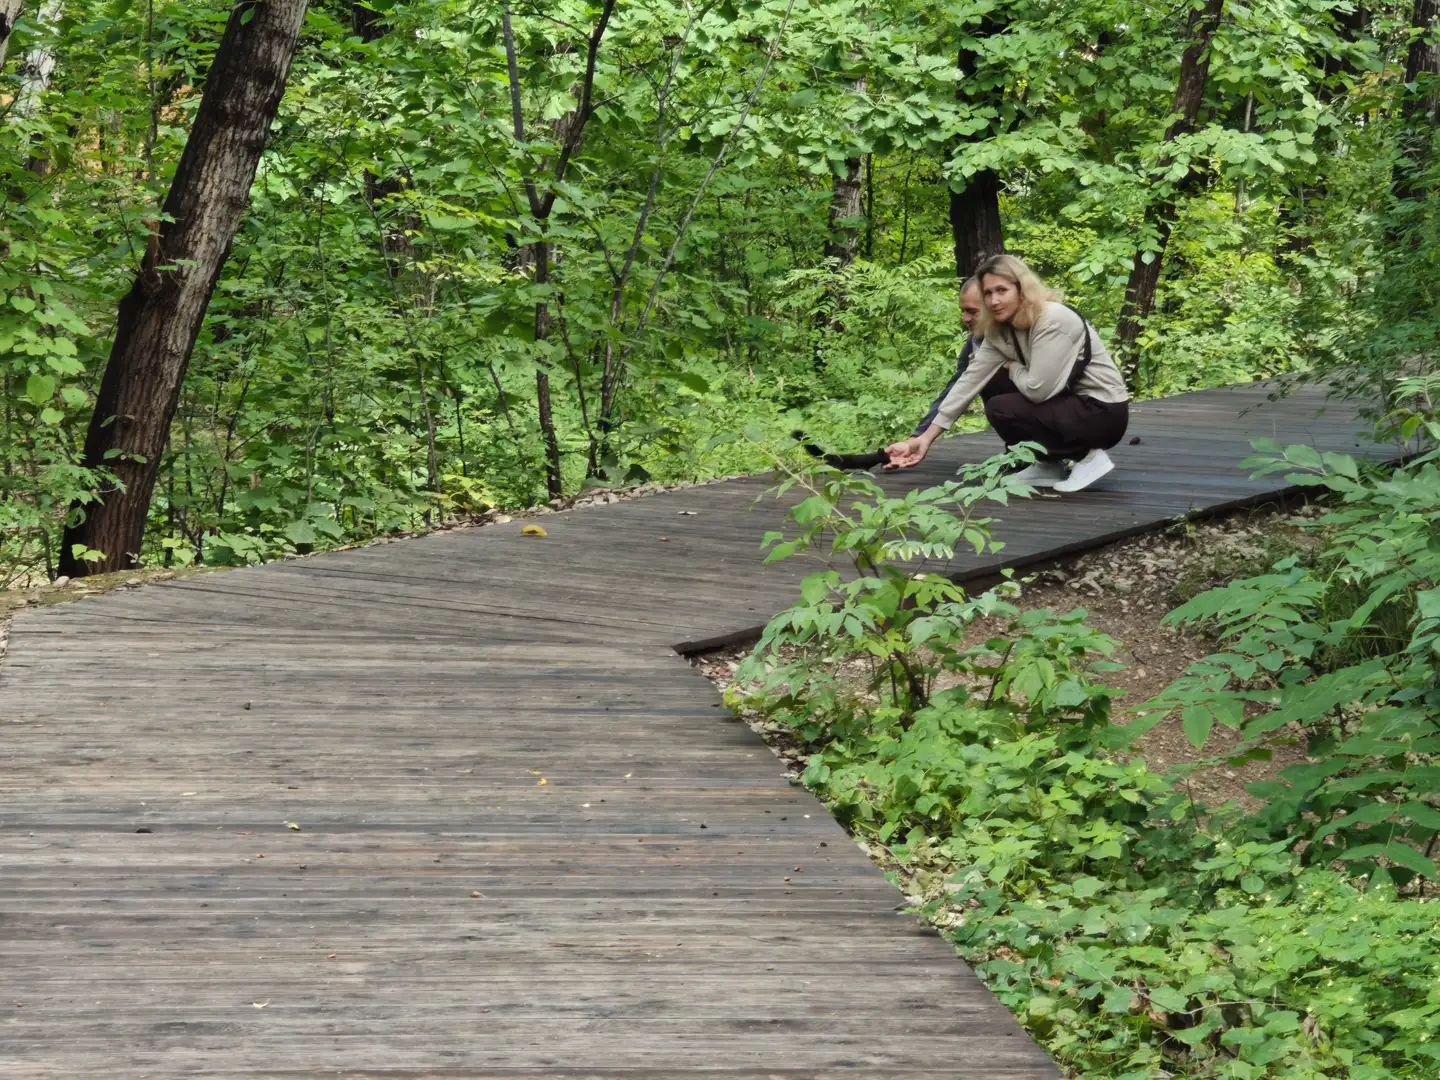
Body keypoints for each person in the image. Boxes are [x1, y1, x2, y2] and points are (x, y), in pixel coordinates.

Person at [886, 254, 1129, 493]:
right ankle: (1048, 464)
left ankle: (1089, 458)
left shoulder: (1053, 319)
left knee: (1002, 406)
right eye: (988, 293)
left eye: (1002, 290)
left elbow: (1038, 390)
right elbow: (970, 380)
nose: (994, 301)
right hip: (1068, 406)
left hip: (1102, 411)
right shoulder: (1000, 330)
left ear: (1022, 289)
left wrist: (1013, 367)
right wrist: (925, 438)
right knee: (991, 381)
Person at [911, 276, 983, 436]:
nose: (964, 319)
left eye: (972, 311)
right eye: (963, 311)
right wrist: (919, 435)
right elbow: (958, 386)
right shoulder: (975, 340)